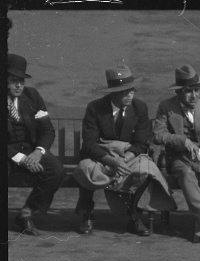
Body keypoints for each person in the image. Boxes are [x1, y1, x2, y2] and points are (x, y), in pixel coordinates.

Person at [73, 65, 175, 236]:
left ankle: (134, 216)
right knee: (85, 169)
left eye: (131, 90)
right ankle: (86, 213)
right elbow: (89, 143)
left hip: (129, 156)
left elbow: (142, 142)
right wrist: (111, 161)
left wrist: (124, 160)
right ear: (113, 92)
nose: (130, 94)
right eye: (124, 91)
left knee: (147, 170)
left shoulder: (139, 107)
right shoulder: (95, 108)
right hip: (102, 157)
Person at [152, 64, 200, 243]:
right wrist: (183, 141)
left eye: (196, 90)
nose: (194, 95)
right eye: (188, 91)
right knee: (187, 174)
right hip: (179, 157)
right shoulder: (166, 107)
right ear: (179, 91)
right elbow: (158, 134)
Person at [7, 54, 64, 235]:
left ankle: (26, 214)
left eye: (22, 81)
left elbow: (47, 130)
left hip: (31, 151)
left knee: (56, 170)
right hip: (8, 155)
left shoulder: (32, 96)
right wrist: (23, 159)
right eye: (14, 80)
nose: (19, 85)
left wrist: (38, 152)